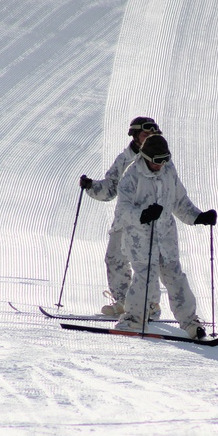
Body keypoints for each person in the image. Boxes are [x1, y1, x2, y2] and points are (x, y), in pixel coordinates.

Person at [110, 134, 217, 339]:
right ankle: (132, 319)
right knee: (145, 277)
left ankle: (191, 323)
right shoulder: (131, 176)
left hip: (166, 237)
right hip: (140, 238)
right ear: (145, 156)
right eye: (157, 161)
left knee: (176, 277)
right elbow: (122, 211)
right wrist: (143, 214)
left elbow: (180, 202)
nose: (161, 165)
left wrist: (198, 217)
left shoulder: (168, 170)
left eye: (164, 159)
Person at [79, 117, 161, 317]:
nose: (149, 138)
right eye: (145, 134)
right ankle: (124, 302)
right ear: (134, 136)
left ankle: (149, 305)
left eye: (153, 134)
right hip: (124, 220)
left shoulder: (159, 157)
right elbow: (109, 189)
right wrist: (91, 187)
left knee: (144, 261)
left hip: (147, 220)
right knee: (114, 259)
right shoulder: (124, 159)